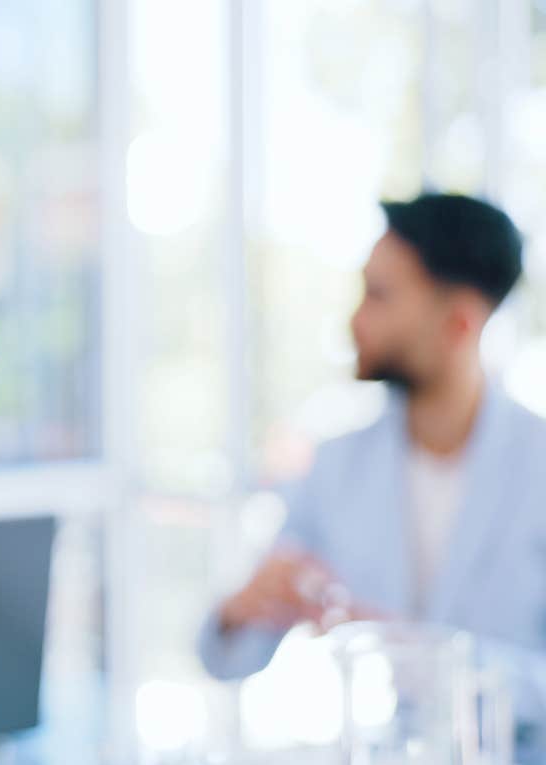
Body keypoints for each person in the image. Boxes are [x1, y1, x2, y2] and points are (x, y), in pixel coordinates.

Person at [199, 193, 546, 754]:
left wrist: (425, 658)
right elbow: (226, 659)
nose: (355, 320)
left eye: (380, 296)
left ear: (458, 322)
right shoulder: (337, 464)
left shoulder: (538, 465)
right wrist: (245, 606)